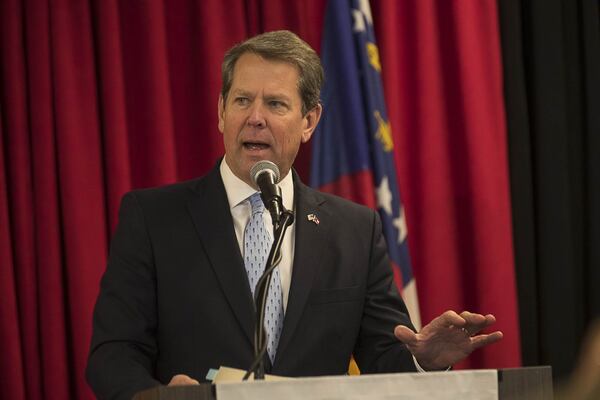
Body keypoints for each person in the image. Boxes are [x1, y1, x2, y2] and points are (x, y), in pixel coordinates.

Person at [86, 30, 502, 400]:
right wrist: (154, 398)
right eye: (242, 100)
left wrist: (424, 362)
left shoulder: (355, 230)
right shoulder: (154, 218)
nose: (255, 118)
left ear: (309, 120)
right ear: (220, 112)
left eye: (276, 104)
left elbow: (382, 356)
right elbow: (113, 354)